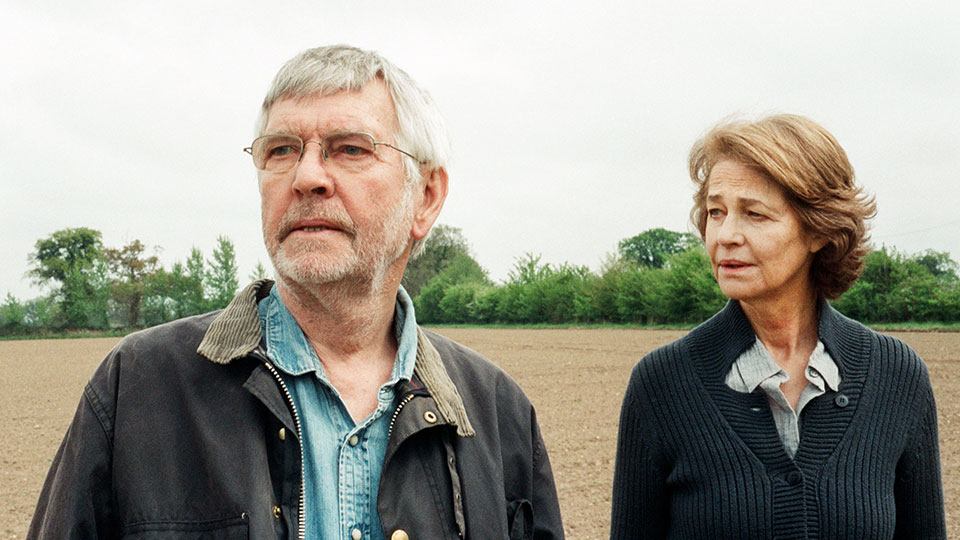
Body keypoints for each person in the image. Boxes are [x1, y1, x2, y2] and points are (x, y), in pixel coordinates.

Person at [28, 45, 564, 540]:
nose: (308, 176)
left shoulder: (499, 413)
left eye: (350, 149)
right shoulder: (136, 389)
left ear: (425, 196)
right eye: (281, 149)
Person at [610, 114, 946, 539]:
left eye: (755, 214)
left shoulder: (896, 377)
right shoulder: (662, 384)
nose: (726, 235)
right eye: (716, 211)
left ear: (818, 230)